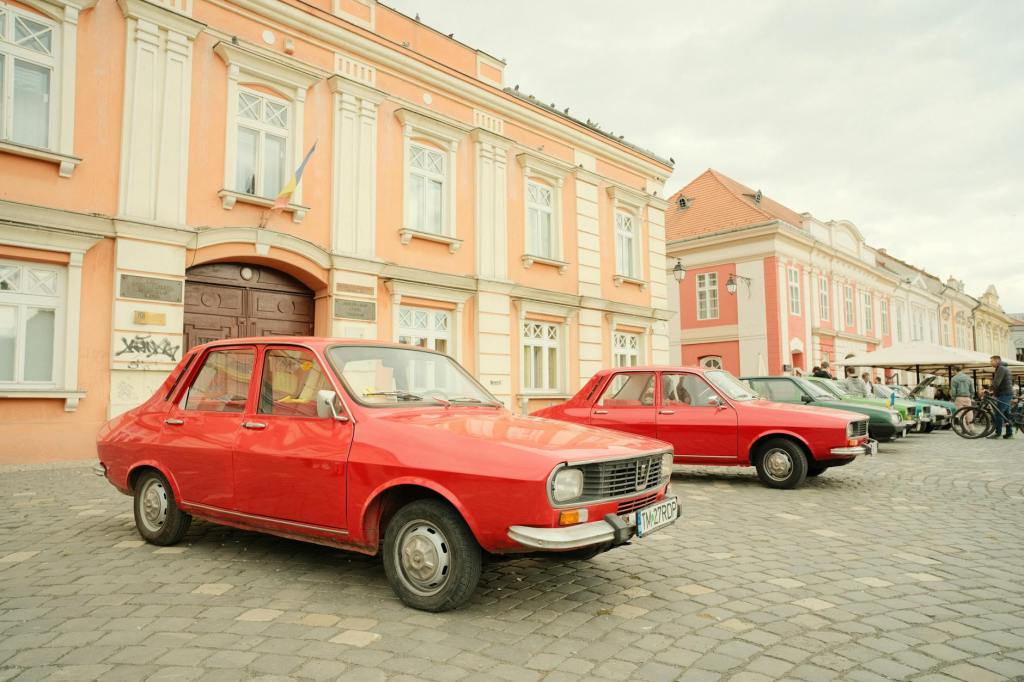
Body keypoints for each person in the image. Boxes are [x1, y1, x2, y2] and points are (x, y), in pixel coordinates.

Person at [988, 355, 1014, 439]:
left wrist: (989, 390)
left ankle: (997, 433)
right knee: (1006, 414)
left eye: (991, 361)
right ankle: (1009, 433)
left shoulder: (1001, 368)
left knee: (998, 413)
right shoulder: (1003, 368)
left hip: (1004, 393)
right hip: (1006, 393)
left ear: (997, 360)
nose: (990, 363)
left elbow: (996, 382)